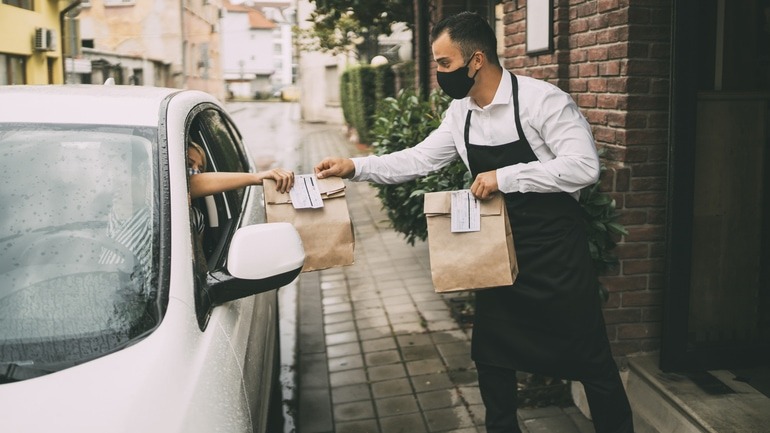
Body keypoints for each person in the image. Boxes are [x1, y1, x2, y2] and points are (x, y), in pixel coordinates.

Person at [314, 11, 634, 433]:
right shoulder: (460, 113)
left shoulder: (543, 101)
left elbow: (583, 167)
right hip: (496, 253)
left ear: (476, 59)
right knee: (493, 359)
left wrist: (505, 176)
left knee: (591, 361)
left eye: (444, 64)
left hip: (555, 253)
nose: (439, 74)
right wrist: (354, 165)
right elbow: (419, 158)